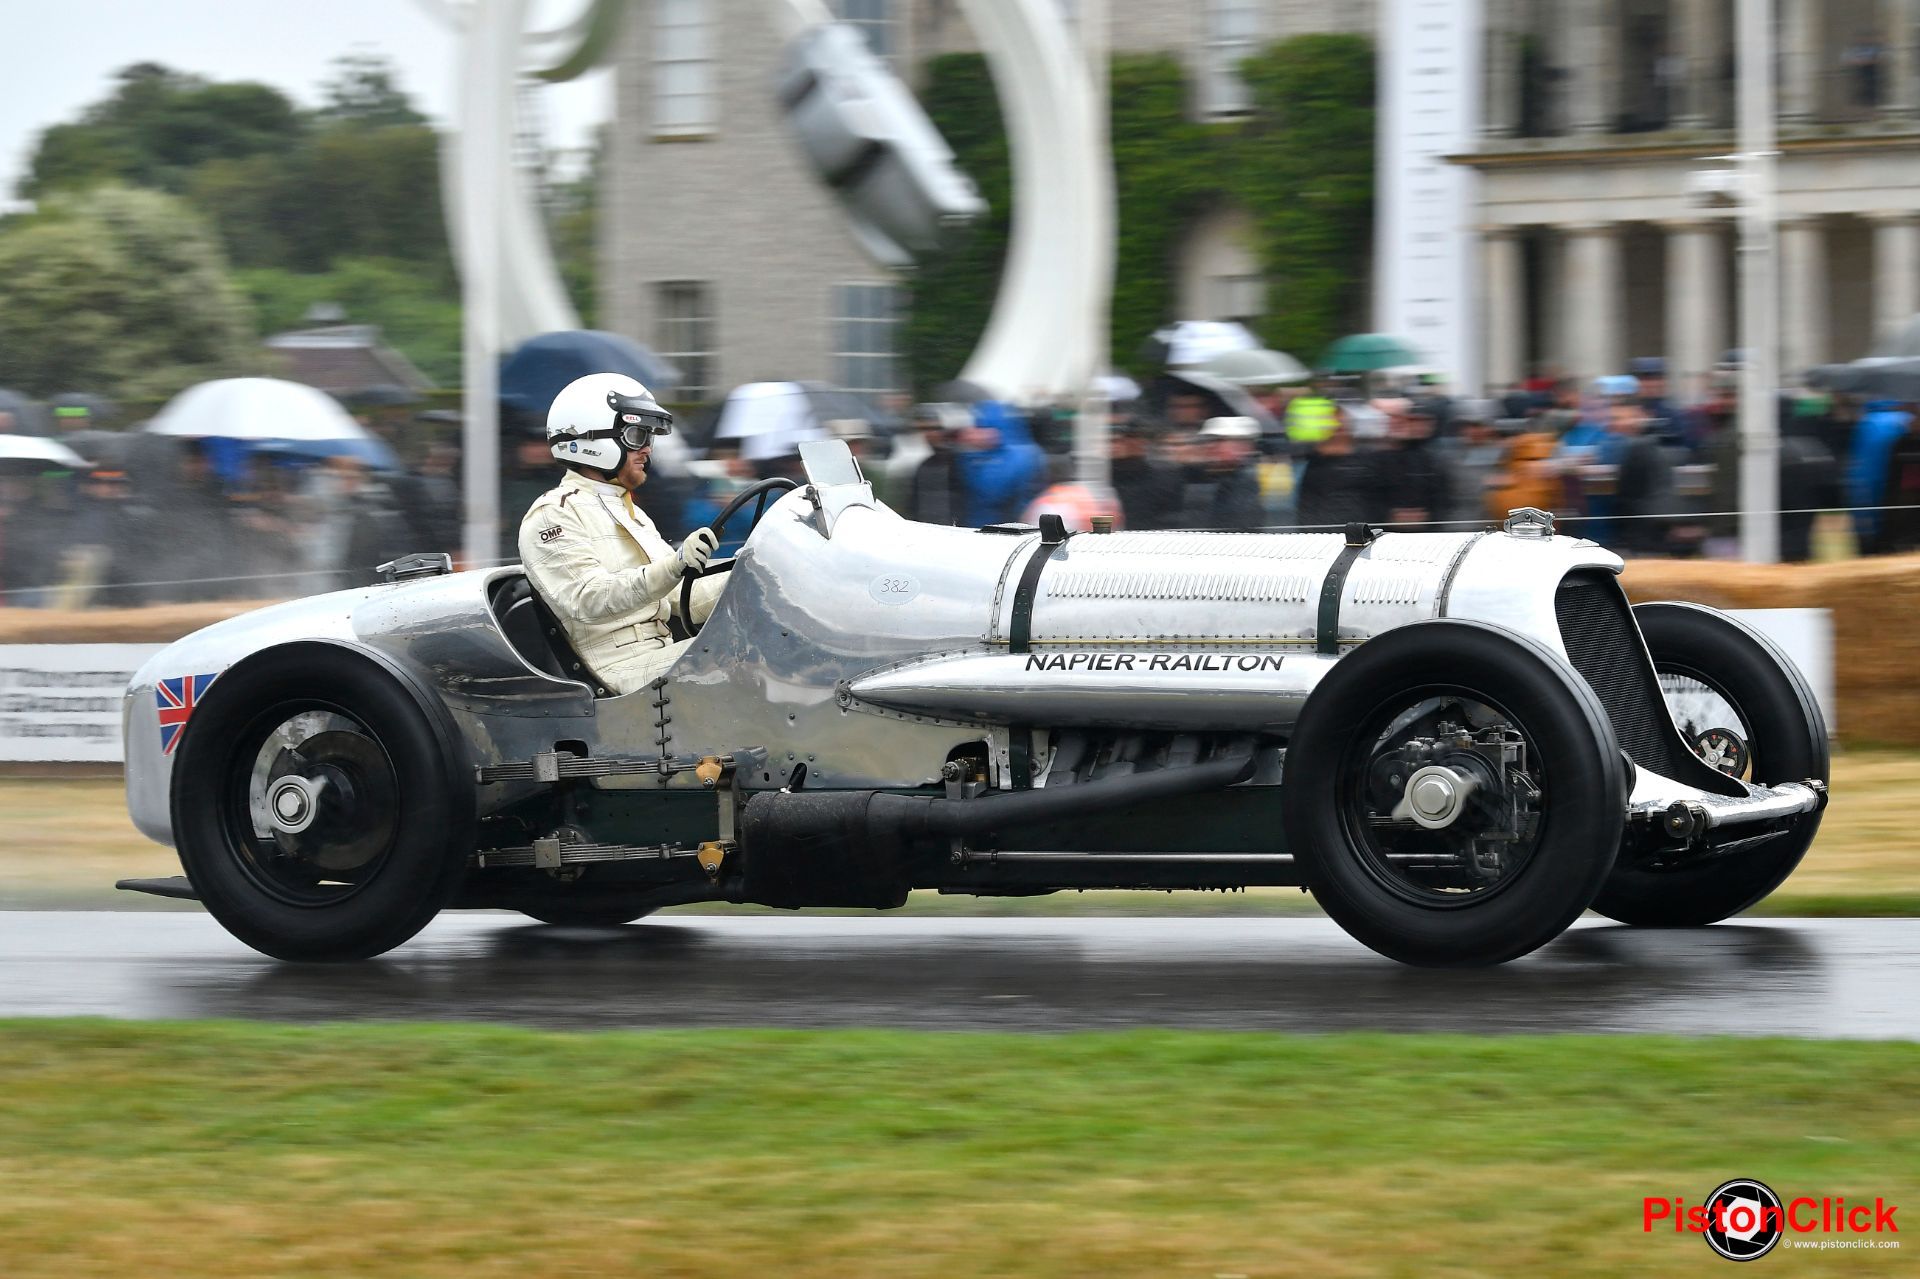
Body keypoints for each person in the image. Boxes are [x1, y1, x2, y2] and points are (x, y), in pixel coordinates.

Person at [518, 373, 723, 696]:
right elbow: (586, 599)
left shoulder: (630, 511)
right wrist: (673, 566)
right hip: (617, 670)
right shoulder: (553, 513)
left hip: (658, 653)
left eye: (649, 438)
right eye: (636, 435)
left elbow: (678, 597)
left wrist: (752, 570)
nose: (647, 450)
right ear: (591, 440)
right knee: (742, 656)